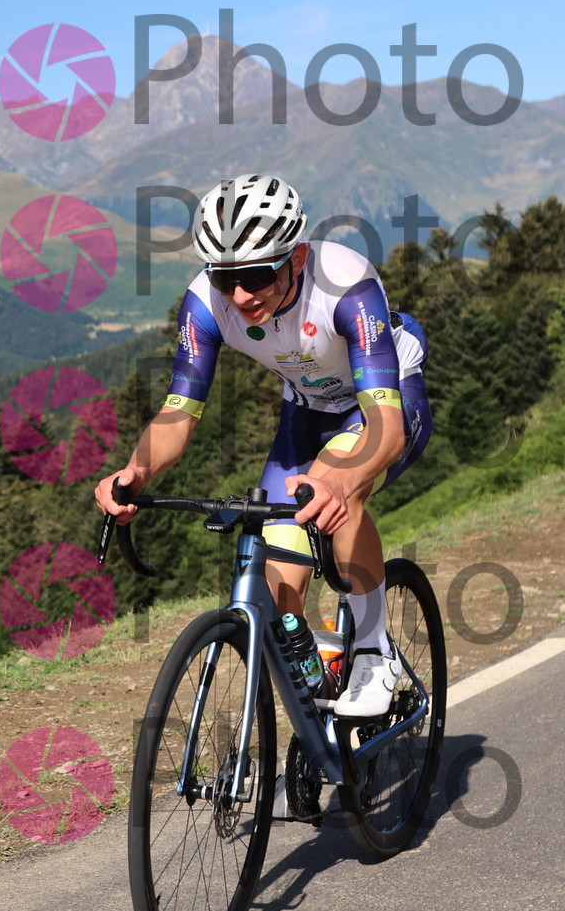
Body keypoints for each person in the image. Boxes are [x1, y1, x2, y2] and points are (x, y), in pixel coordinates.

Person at [93, 174, 432, 717]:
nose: (241, 296)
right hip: (306, 408)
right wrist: (136, 472)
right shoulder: (206, 304)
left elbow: (385, 426)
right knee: (279, 591)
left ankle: (374, 651)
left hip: (384, 400)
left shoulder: (346, 283)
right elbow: (177, 414)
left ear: (296, 257)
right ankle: (321, 690)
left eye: (257, 275)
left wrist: (342, 483)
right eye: (225, 278)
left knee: (332, 487)